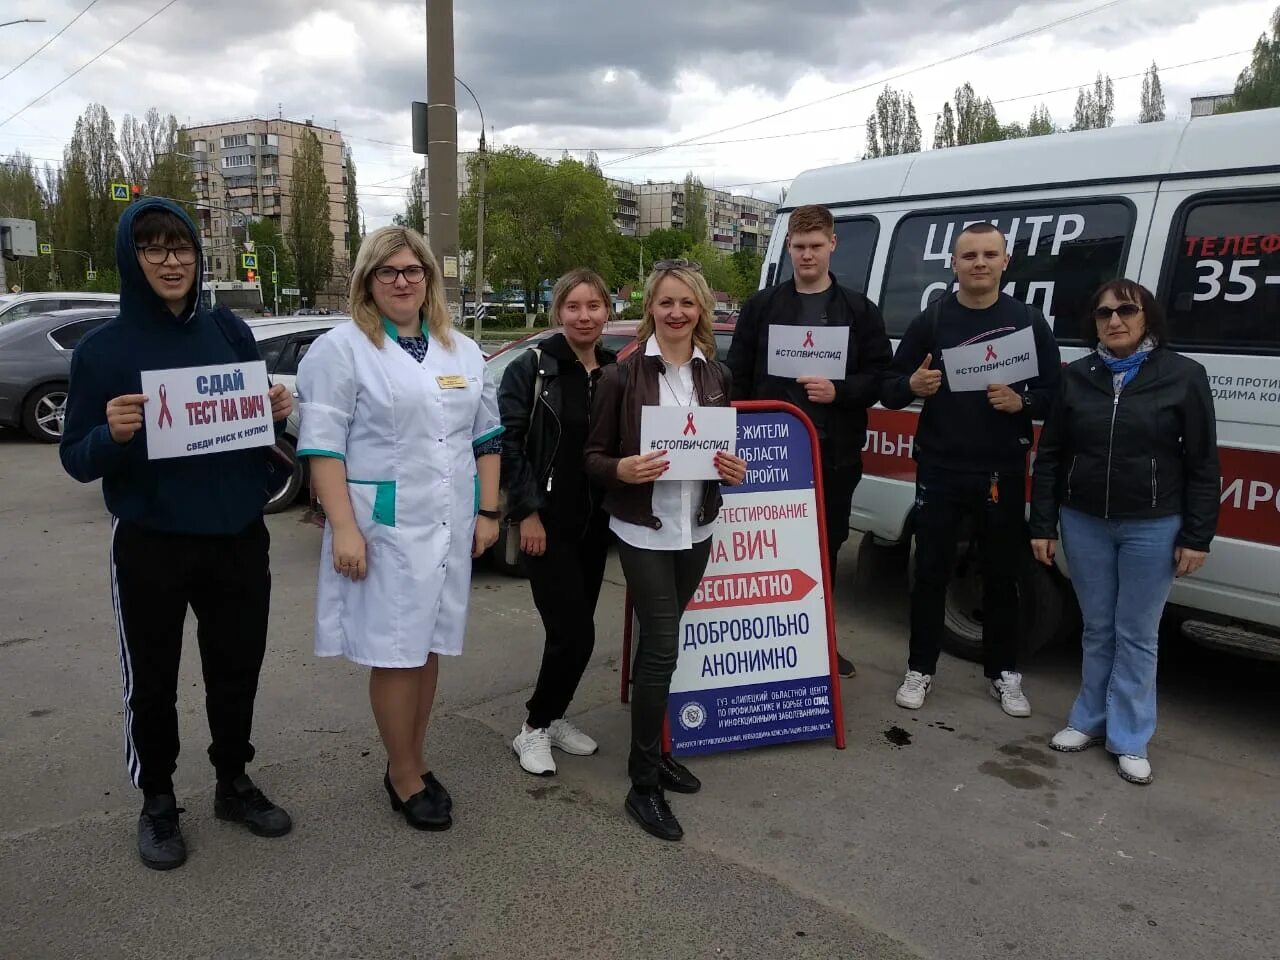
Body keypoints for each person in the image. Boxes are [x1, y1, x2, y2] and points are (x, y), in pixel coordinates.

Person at [59, 198, 294, 871]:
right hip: (152, 539)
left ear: (198, 255)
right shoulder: (103, 352)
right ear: (131, 260)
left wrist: (273, 412)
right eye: (153, 247)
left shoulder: (228, 332)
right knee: (154, 679)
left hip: (237, 536)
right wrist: (112, 435)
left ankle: (232, 781)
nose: (170, 260)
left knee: (236, 668)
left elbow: (254, 437)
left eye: (181, 246)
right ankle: (158, 800)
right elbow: (76, 457)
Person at [296, 226, 501, 831]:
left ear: (430, 279)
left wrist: (487, 511)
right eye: (388, 272)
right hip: (383, 527)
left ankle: (412, 756)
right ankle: (403, 775)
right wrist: (345, 529)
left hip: (448, 521)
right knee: (396, 652)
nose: (403, 281)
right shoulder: (342, 349)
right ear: (367, 281)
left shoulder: (461, 349)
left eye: (414, 271)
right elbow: (323, 448)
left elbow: (485, 437)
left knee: (428, 643)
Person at [1030, 280, 1218, 785]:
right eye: (1103, 313)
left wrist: (1198, 536)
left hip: (1153, 526)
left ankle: (1130, 736)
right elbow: (1050, 456)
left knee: (1137, 633)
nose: (1114, 321)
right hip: (1084, 520)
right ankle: (1088, 720)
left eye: (1126, 310)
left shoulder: (1183, 376)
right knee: (1097, 628)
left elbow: (1202, 463)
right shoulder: (1078, 377)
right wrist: (1043, 522)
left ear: (1146, 317)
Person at [584, 261, 747, 842]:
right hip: (645, 529)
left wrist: (734, 469)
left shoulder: (715, 375)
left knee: (663, 644)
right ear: (650, 308)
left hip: (696, 528)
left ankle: (654, 750)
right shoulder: (621, 377)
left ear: (701, 309)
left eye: (687, 303)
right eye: (665, 302)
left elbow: (719, 457)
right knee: (660, 647)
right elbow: (593, 459)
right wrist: (622, 468)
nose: (676, 312)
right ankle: (643, 780)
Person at [881, 221, 1061, 717]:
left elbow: (1055, 396)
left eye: (989, 255)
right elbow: (890, 387)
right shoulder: (933, 320)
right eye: (969, 256)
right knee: (931, 573)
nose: (979, 263)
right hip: (939, 467)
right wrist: (913, 384)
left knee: (1002, 576)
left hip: (1001, 471)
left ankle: (1004, 673)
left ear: (1005, 262)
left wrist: (1021, 401)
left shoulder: (1027, 321)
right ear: (954, 265)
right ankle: (920, 668)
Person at [727, 204, 892, 679]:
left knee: (825, 548)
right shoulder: (762, 307)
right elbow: (737, 376)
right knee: (768, 549)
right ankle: (762, 643)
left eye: (816, 246)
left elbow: (881, 377)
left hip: (834, 455)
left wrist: (841, 391)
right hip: (770, 454)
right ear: (787, 247)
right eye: (799, 247)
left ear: (833, 245)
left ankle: (818, 641)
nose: (807, 255)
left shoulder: (859, 311)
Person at [500, 269, 618, 776]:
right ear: (558, 312)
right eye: (574, 306)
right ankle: (532, 728)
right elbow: (508, 443)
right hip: (546, 523)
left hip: (596, 524)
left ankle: (556, 714)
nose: (584, 315)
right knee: (575, 634)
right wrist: (526, 512)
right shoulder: (533, 369)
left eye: (594, 306)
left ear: (607, 312)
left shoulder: (614, 369)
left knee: (571, 631)